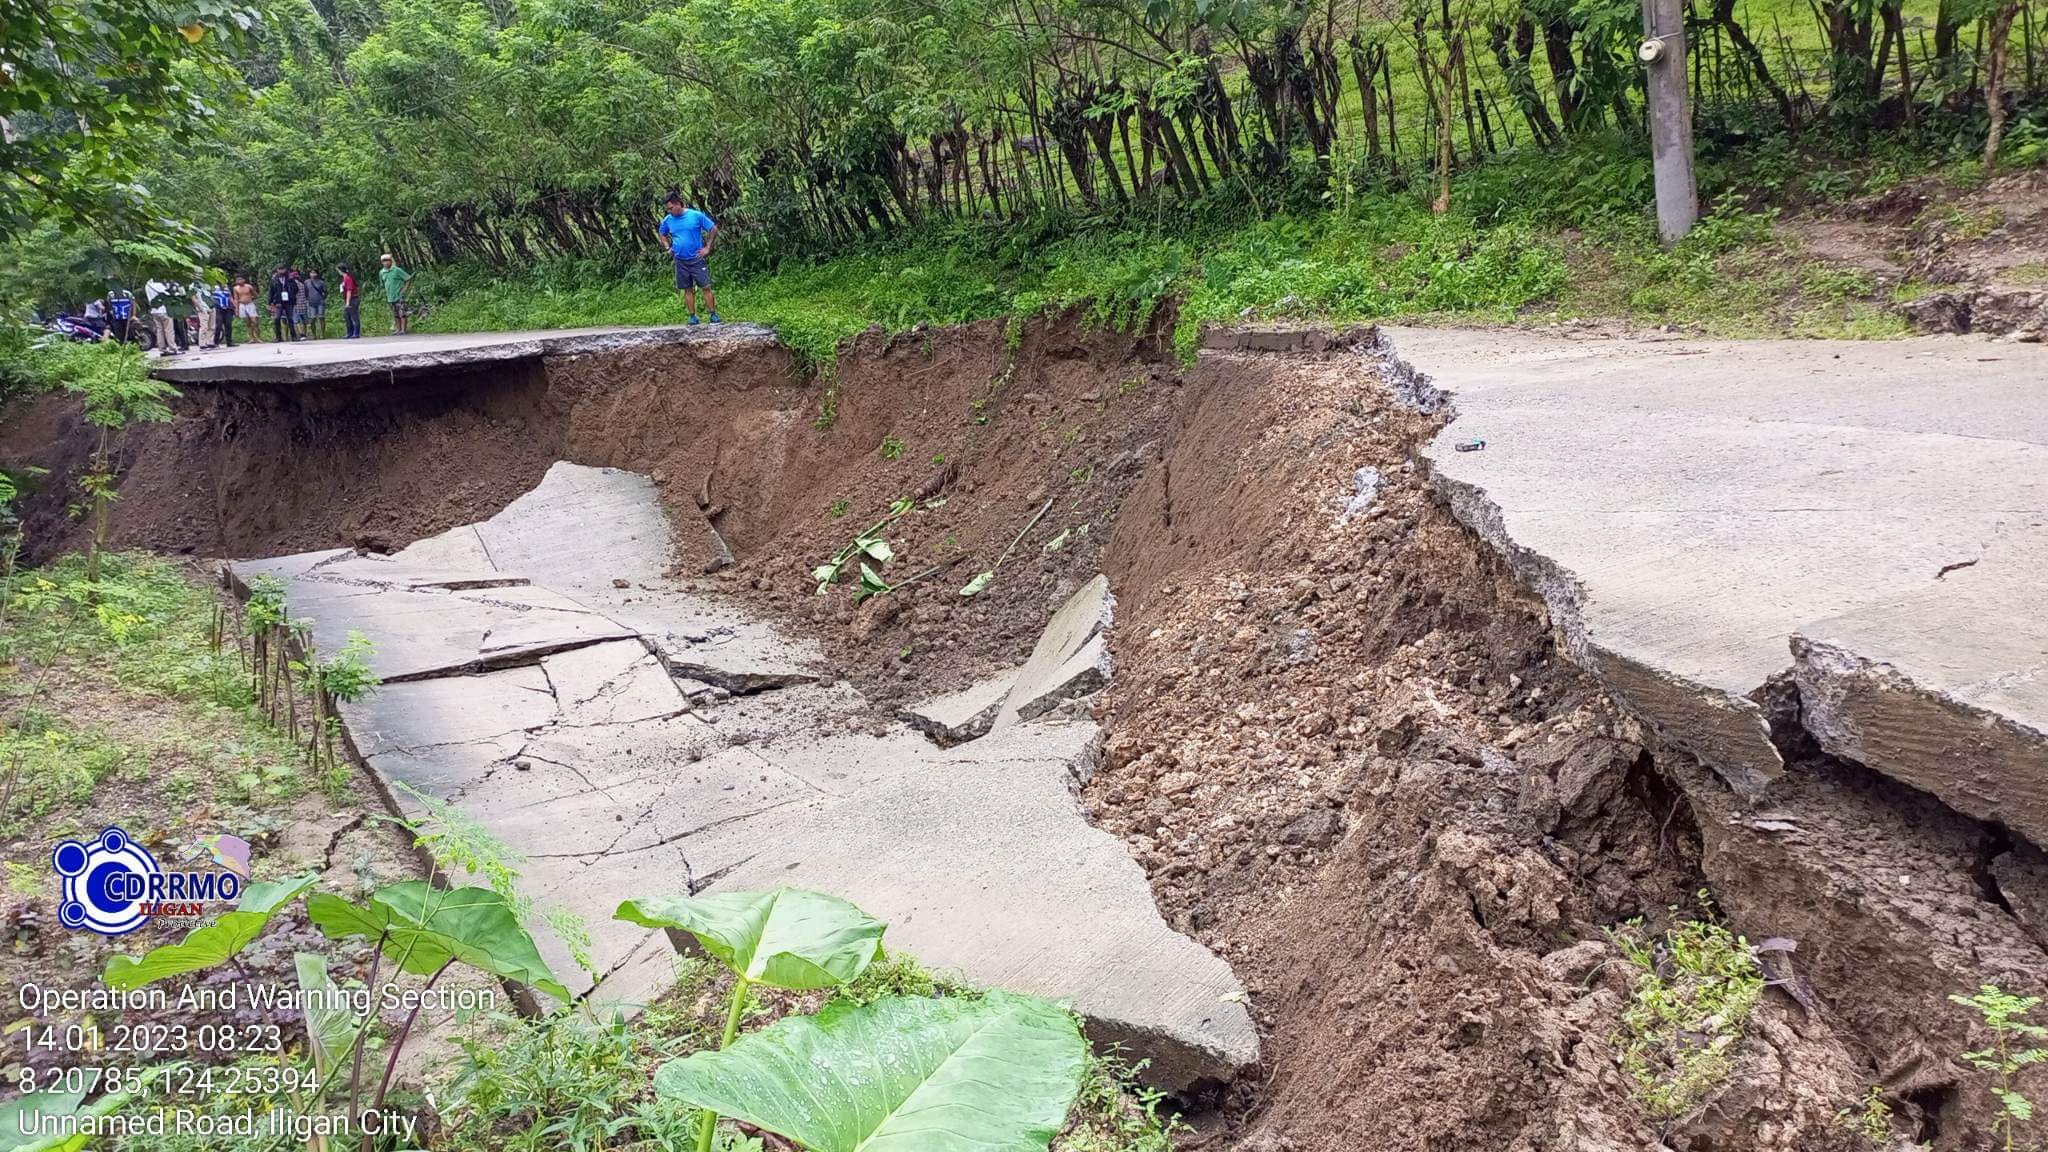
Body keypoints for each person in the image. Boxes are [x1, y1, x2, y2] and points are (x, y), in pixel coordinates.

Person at [656, 191, 719, 324]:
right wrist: (668, 247)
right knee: (687, 289)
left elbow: (713, 228)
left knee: (705, 286)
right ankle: (692, 317)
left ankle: (713, 315)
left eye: (671, 208)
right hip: (680, 260)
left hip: (696, 258)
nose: (670, 211)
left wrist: (707, 247)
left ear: (678, 203)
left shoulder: (695, 216)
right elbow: (662, 234)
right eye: (668, 209)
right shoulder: (668, 220)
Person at [378, 254, 412, 334]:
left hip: (399, 296)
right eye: (384, 261)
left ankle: (403, 330)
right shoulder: (382, 272)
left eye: (387, 261)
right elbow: (382, 283)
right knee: (395, 314)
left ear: (391, 261)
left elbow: (408, 278)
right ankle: (398, 329)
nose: (386, 263)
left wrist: (404, 289)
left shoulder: (396, 270)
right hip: (390, 296)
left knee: (402, 313)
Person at [144, 278, 179, 354]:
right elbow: (168, 295)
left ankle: (162, 348)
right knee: (169, 330)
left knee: (159, 330)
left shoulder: (147, 285)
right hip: (164, 310)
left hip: (154, 311)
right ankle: (172, 348)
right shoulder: (159, 285)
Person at [234, 276, 261, 342]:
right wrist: (236, 309)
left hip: (250, 304)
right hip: (242, 305)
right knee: (247, 322)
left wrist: (250, 298)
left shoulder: (249, 286)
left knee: (254, 322)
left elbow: (255, 295)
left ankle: (258, 337)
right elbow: (236, 299)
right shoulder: (235, 288)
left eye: (240, 279)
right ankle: (251, 338)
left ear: (244, 280)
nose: (239, 281)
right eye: (237, 280)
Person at [338, 264, 361, 338]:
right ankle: (349, 332)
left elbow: (349, 291)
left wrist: (347, 302)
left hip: (352, 299)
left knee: (354, 316)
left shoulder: (348, 278)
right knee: (347, 316)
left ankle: (356, 333)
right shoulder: (343, 279)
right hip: (347, 299)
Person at [190, 282, 215, 350]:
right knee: (204, 326)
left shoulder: (206, 283)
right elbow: (193, 298)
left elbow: (210, 294)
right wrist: (200, 308)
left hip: (211, 306)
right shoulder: (193, 286)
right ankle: (202, 343)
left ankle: (210, 342)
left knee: (212, 326)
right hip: (203, 308)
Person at [304, 269, 328, 340]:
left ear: (317, 274)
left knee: (321, 317)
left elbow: (325, 292)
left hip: (320, 302)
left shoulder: (321, 282)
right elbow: (305, 292)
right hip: (311, 303)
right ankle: (314, 335)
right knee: (312, 319)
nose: (312, 274)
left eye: (314, 272)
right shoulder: (306, 282)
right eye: (311, 272)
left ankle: (322, 334)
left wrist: (323, 298)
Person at [211, 280, 235, 347]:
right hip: (218, 308)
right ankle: (216, 342)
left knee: (228, 325)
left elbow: (230, 297)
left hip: (228, 308)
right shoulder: (213, 287)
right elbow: (211, 297)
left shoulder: (226, 287)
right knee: (218, 325)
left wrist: (234, 305)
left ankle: (229, 342)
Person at [289, 269, 309, 338]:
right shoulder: (302, 284)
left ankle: (301, 334)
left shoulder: (291, 285)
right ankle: (304, 334)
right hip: (303, 304)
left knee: (296, 320)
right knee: (304, 320)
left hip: (296, 304)